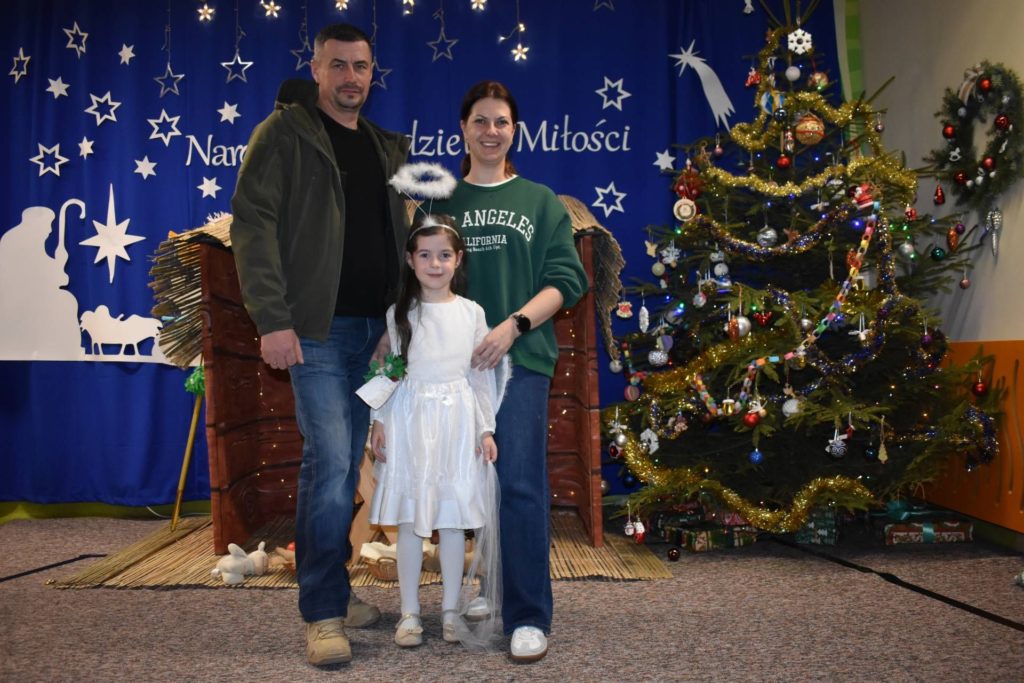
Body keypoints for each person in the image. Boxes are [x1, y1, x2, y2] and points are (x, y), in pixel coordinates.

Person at [229, 23, 411, 667]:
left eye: (360, 66)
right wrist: (271, 319)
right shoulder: (284, 134)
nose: (350, 77)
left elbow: (397, 241)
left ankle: (331, 587)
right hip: (314, 331)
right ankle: (323, 613)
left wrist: (396, 321)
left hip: (373, 335)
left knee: (344, 467)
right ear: (316, 69)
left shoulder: (386, 147)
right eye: (338, 65)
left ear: (372, 72)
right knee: (330, 464)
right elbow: (252, 224)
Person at [430, 81, 589, 663]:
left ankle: (527, 615)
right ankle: (489, 586)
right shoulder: (440, 204)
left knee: (519, 484)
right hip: (452, 370)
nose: (490, 131)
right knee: (466, 485)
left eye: (500, 121)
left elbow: (567, 281)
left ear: (514, 131)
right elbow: (417, 281)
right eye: (480, 120)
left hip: (519, 361)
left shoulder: (540, 201)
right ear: (463, 129)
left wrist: (513, 326)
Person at [366, 213, 505, 650]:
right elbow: (391, 372)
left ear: (458, 259)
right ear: (410, 260)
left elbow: (480, 377)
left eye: (444, 255)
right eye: (425, 255)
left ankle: (449, 610)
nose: (435, 264)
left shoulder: (472, 313)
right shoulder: (399, 314)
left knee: (451, 520)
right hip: (411, 423)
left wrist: (485, 429)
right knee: (411, 520)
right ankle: (409, 612)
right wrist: (378, 420)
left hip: (456, 426)